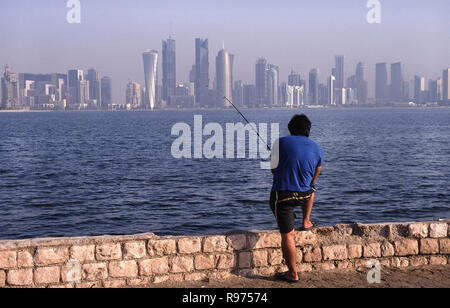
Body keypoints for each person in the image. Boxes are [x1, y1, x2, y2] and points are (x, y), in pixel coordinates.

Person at [270, 114, 323, 283]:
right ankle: (306, 221)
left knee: (288, 236)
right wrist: (308, 180)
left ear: (290, 129)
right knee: (312, 187)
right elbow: (318, 170)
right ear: (308, 130)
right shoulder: (317, 147)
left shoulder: (280, 143)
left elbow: (272, 170)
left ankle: (292, 273)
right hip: (305, 194)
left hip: (284, 197)